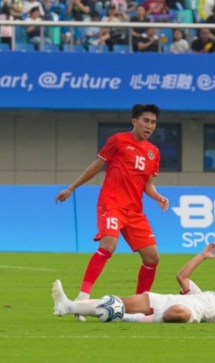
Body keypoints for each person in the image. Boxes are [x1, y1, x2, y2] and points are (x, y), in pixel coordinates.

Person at [55, 104, 169, 321]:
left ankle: (139, 303)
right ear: (134, 121)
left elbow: (148, 185)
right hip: (112, 203)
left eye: (153, 122)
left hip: (135, 211)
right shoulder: (118, 140)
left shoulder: (154, 152)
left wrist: (158, 197)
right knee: (108, 245)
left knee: (153, 258)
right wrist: (72, 187)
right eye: (146, 121)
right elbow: (97, 165)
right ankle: (82, 298)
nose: (150, 126)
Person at [52, 243, 215, 323]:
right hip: (167, 300)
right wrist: (202, 255)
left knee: (178, 312)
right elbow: (182, 277)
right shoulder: (208, 292)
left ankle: (131, 319)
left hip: (191, 312)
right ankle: (68, 307)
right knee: (117, 301)